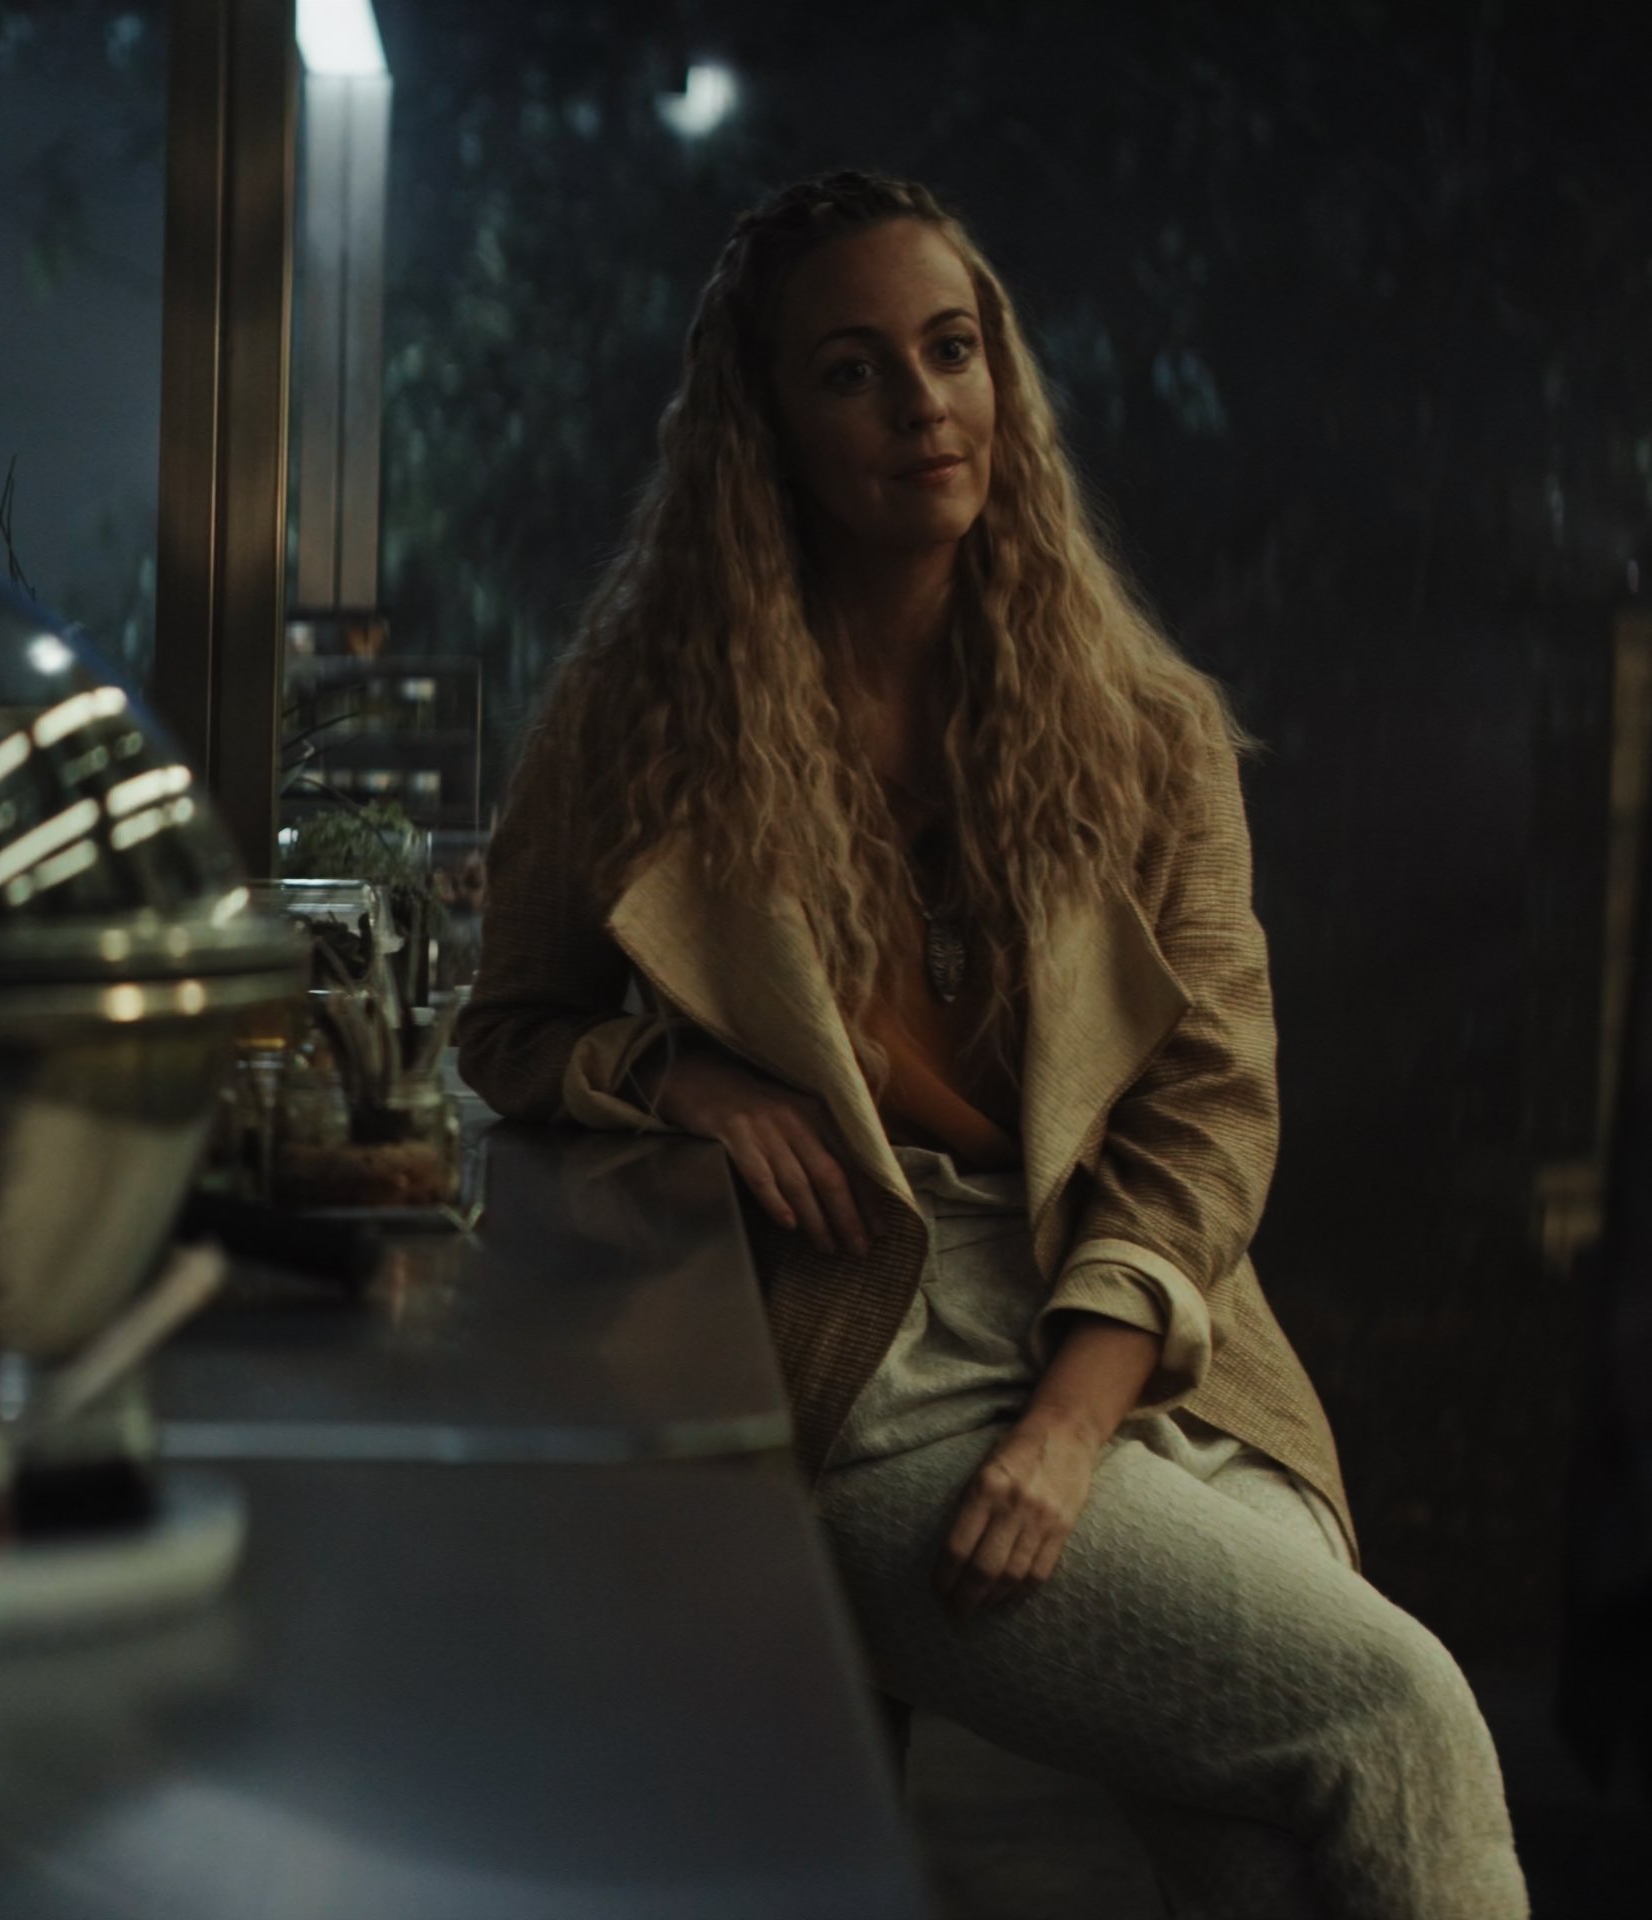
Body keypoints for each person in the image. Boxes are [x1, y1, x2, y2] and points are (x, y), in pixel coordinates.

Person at [455, 171, 1526, 1918]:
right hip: (870, 1351)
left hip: (1148, 1334)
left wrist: (1075, 1417)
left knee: (1268, 1853)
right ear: (766, 425)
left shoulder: (1145, 729)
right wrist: (677, 1076)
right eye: (853, 371)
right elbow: (509, 1024)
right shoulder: (646, 722)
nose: (923, 404)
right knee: (1398, 1717)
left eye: (951, 351)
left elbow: (1211, 1108)